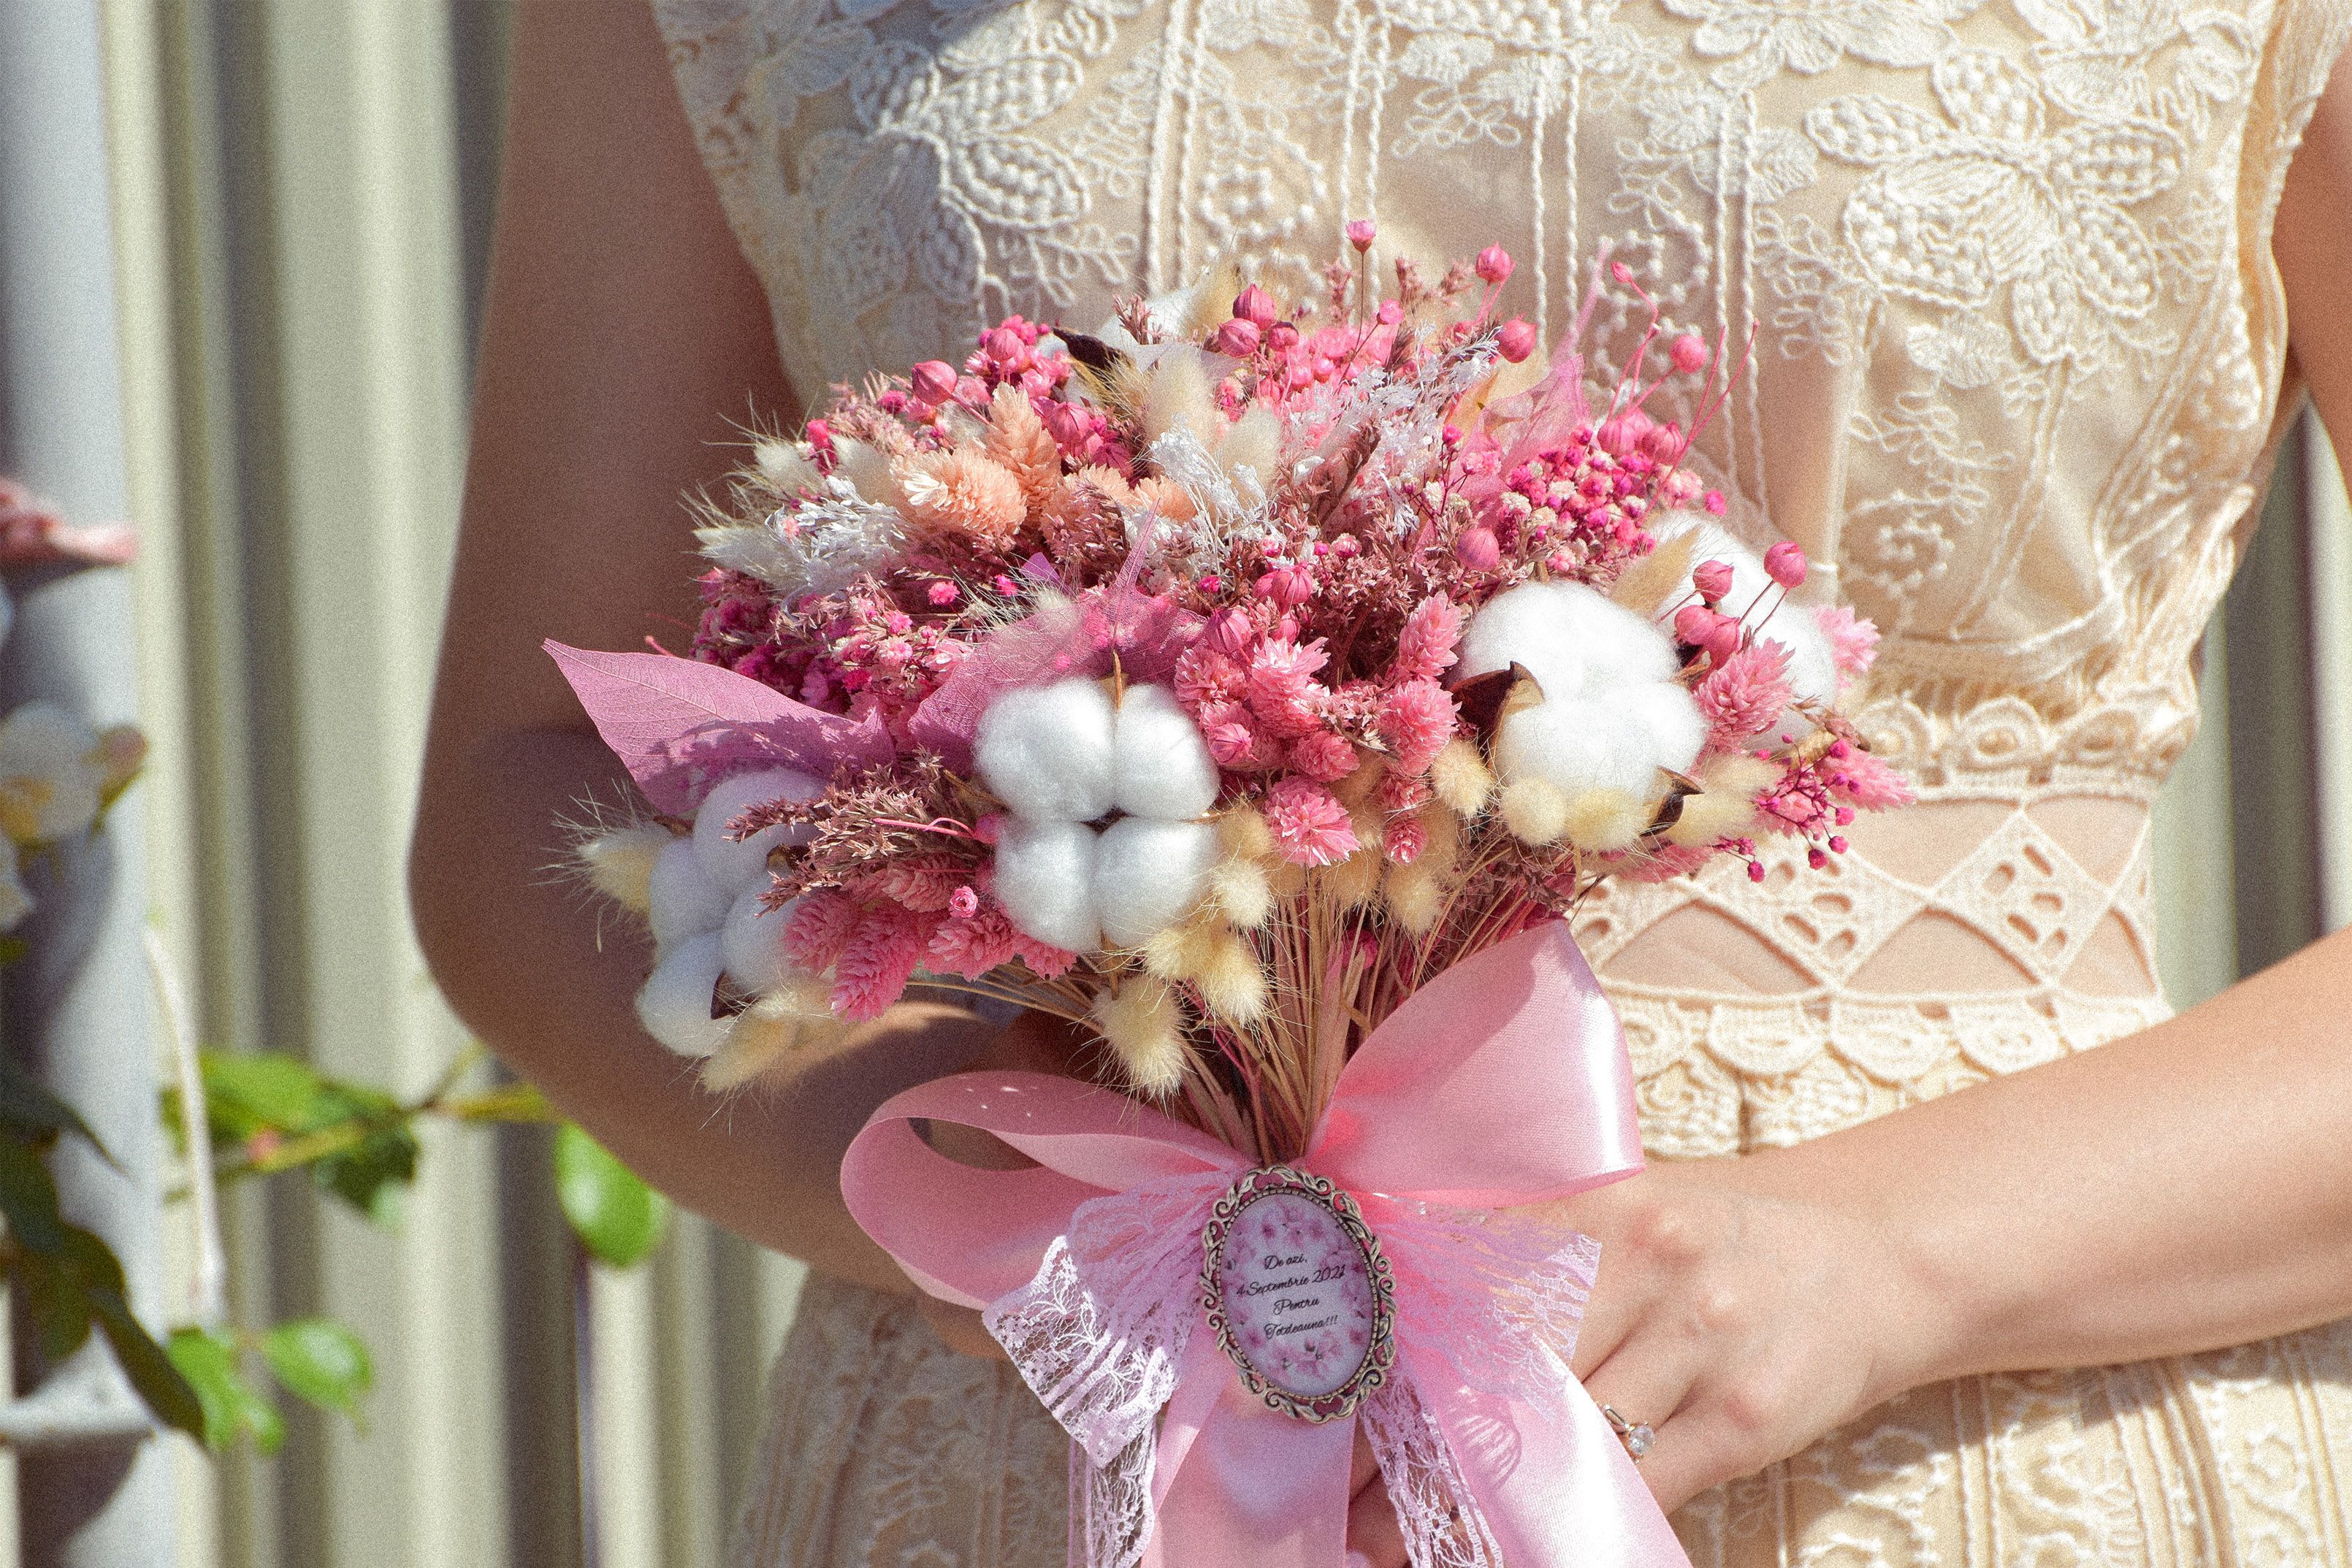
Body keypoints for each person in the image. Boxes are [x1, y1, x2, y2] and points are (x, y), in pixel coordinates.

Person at [412, 0, 2352, 1561]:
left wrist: (1879, 1253)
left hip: (1956, 1447)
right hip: (1062, 1441)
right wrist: (996, 1197)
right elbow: (538, 775)